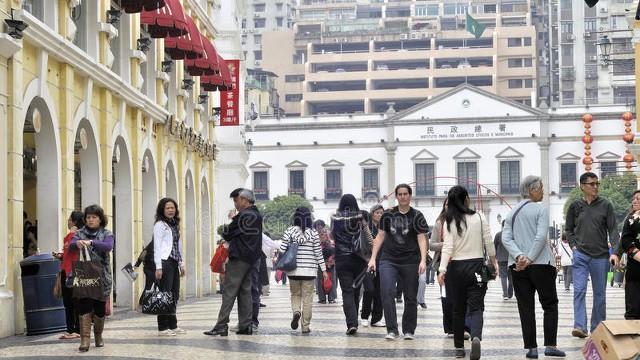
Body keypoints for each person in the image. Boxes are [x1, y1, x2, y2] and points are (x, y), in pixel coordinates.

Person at [500, 176, 566, 359]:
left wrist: (519, 256)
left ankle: (531, 348)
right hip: (542, 264)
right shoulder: (540, 209)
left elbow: (506, 239)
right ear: (532, 190)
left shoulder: (511, 213)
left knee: (525, 307)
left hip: (518, 266)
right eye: (541, 188)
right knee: (550, 304)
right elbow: (540, 236)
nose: (543, 191)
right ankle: (550, 345)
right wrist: (528, 258)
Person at [437, 185, 496, 360]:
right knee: (477, 306)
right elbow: (488, 242)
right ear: (466, 199)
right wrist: (494, 262)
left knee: (458, 309)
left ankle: (459, 349)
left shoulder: (449, 221)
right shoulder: (479, 216)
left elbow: (447, 247)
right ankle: (476, 335)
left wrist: (442, 270)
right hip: (477, 268)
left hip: (456, 270)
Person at [368, 184, 428, 341]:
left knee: (410, 296)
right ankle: (392, 329)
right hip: (389, 259)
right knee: (387, 292)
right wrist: (373, 258)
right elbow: (380, 236)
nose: (403, 196)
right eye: (400, 194)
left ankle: (408, 330)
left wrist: (423, 260)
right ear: (396, 196)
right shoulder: (387, 215)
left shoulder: (417, 215)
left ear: (410, 195)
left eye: (405, 194)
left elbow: (422, 239)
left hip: (411, 261)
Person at [565, 172, 619, 338]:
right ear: (582, 186)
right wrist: (573, 246)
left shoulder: (606, 205)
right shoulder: (574, 206)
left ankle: (597, 328)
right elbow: (568, 229)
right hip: (580, 255)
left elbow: (613, 230)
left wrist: (615, 252)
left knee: (600, 295)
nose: (595, 187)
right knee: (579, 290)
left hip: (601, 256)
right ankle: (580, 326)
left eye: (597, 184)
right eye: (592, 184)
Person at [205, 188, 262, 336]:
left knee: (229, 292)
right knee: (245, 292)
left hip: (239, 259)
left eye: (236, 200)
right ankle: (246, 325)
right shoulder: (257, 215)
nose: (235, 204)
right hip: (252, 260)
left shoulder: (243, 216)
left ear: (244, 200)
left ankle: (221, 325)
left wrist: (228, 225)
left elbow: (228, 233)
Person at [69, 205, 113, 352]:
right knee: (84, 305)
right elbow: (70, 245)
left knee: (100, 308)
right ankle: (85, 339)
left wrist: (92, 242)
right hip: (85, 275)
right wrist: (77, 243)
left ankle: (98, 335)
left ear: (100, 219)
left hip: (102, 276)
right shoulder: (80, 233)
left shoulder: (106, 233)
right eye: (88, 217)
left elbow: (108, 246)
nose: (91, 220)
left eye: (94, 217)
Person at [280, 207, 329, 334]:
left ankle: (296, 311)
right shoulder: (313, 233)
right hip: (309, 272)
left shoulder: (289, 231)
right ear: (309, 218)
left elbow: (282, 250)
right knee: (308, 299)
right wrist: (323, 270)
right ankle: (305, 326)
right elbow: (318, 253)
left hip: (293, 271)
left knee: (295, 294)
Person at [331, 194, 368, 335]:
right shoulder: (361, 216)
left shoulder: (335, 217)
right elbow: (366, 234)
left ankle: (351, 323)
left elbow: (333, 235)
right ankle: (354, 321)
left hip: (342, 258)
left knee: (346, 291)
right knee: (356, 290)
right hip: (358, 258)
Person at [151, 198, 186, 336]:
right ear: (162, 210)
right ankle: (162, 327)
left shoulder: (174, 224)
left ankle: (173, 325)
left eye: (173, 207)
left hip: (174, 262)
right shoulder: (160, 225)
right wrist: (158, 267)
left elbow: (178, 246)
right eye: (168, 208)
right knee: (164, 295)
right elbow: (157, 246)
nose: (171, 210)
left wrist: (181, 263)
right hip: (165, 262)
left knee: (174, 295)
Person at [54, 210, 84, 340]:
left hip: (75, 272)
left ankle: (78, 329)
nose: (68, 221)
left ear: (75, 221)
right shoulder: (68, 236)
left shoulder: (78, 235)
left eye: (69, 219)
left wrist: (73, 234)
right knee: (67, 302)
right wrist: (60, 256)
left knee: (76, 302)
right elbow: (67, 252)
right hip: (65, 271)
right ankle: (69, 329)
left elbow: (76, 251)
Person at [360, 205, 384, 327]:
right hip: (368, 262)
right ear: (372, 213)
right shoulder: (366, 227)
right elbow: (368, 243)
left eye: (381, 213)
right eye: (377, 212)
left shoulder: (384, 228)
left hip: (382, 262)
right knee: (369, 289)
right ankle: (364, 316)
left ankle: (376, 318)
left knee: (380, 292)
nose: (379, 215)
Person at [619, 190, 640, 319]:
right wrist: (636, 253)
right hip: (635, 271)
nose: (635, 201)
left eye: (638, 199)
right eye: (634, 199)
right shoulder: (630, 219)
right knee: (633, 310)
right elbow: (625, 240)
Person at [315, 220, 337, 304]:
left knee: (329, 279)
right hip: (322, 262)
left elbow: (334, 248)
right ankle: (325, 298)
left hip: (329, 262)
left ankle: (328, 298)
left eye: (320, 226)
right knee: (321, 279)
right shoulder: (315, 236)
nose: (319, 228)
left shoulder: (328, 236)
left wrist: (330, 260)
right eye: (317, 226)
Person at [494, 221, 513, 300]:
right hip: (511, 259)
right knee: (511, 277)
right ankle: (510, 292)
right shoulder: (512, 235)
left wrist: (494, 257)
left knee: (503, 277)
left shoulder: (498, 235)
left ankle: (505, 294)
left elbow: (494, 246)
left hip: (501, 259)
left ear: (502, 226)